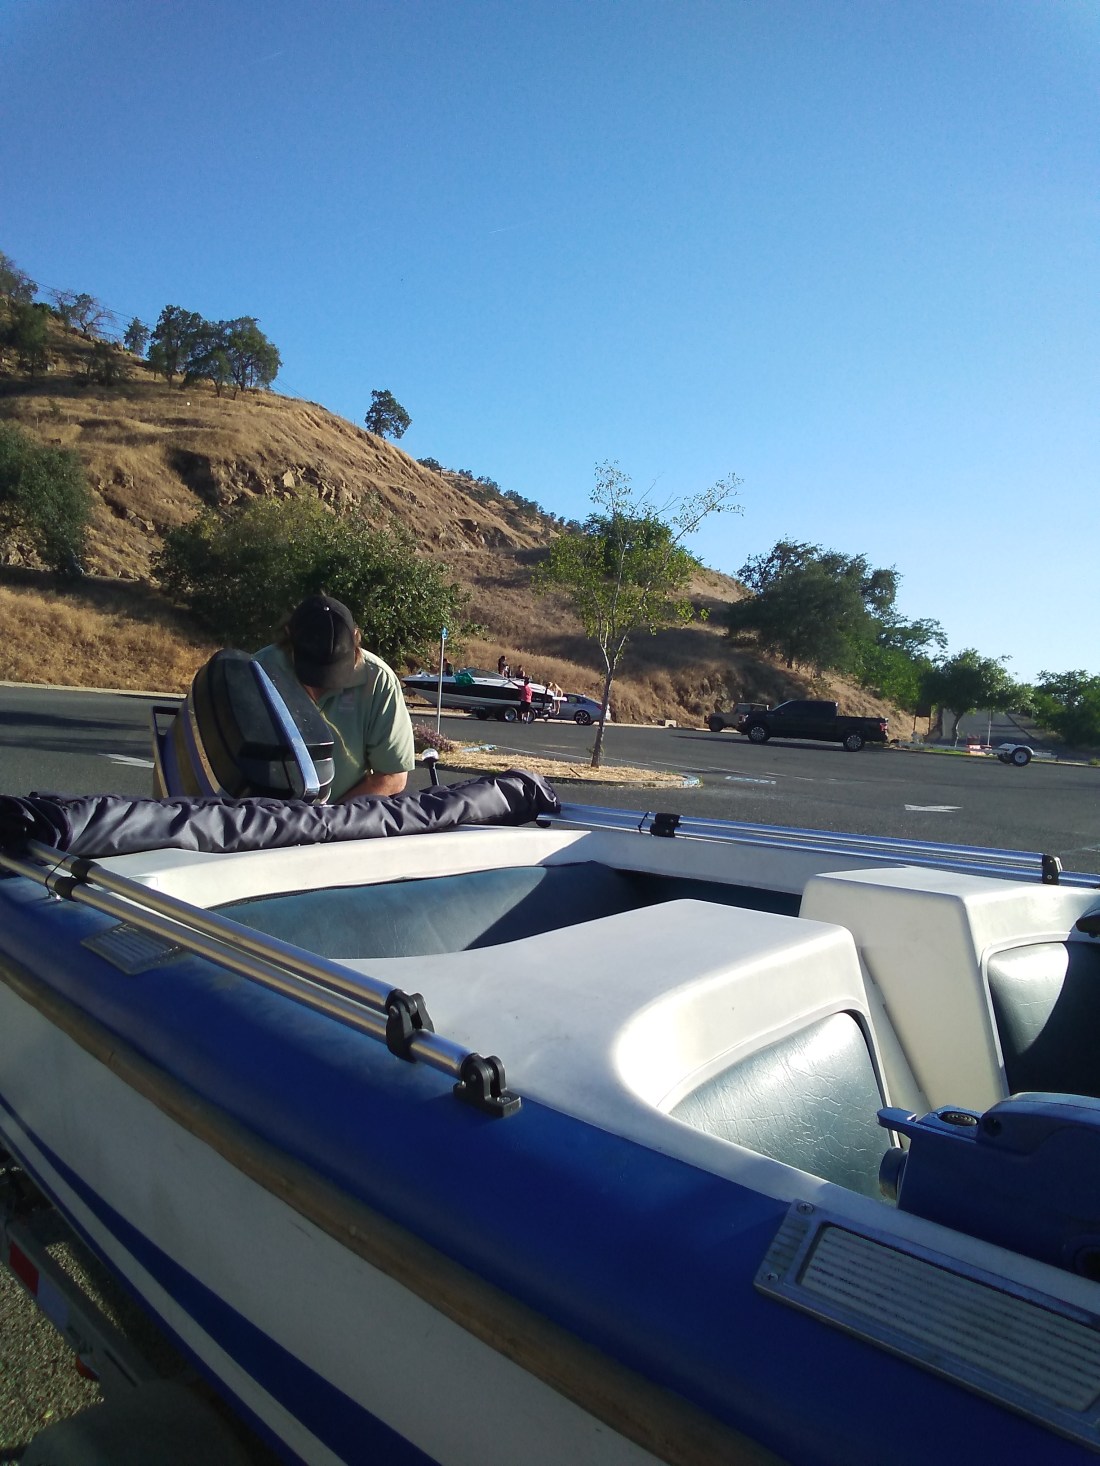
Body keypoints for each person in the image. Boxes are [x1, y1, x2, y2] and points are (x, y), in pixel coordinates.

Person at [256, 593, 415, 802]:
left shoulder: (379, 681)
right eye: (311, 669)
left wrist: (332, 816)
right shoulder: (258, 671)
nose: (319, 687)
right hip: (270, 813)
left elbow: (393, 776)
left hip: (345, 816)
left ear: (355, 637)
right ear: (289, 636)